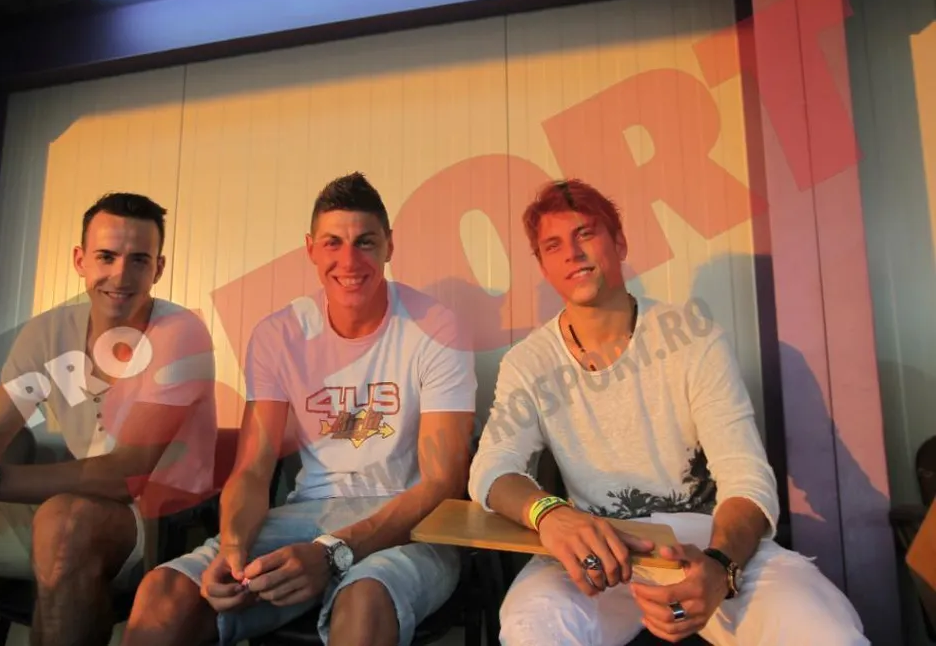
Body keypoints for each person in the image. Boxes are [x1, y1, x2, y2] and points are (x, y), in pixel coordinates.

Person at [467, 179, 869, 645]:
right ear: (543, 266)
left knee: (824, 632)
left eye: (585, 234)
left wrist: (720, 566)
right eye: (553, 246)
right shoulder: (529, 362)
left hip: (705, 542)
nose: (572, 254)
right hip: (600, 547)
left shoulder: (693, 338)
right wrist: (550, 514)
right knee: (530, 627)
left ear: (619, 243)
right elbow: (490, 469)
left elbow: (746, 478)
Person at [122, 172, 478, 646]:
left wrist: (333, 554)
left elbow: (442, 482)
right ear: (310, 249)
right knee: (164, 594)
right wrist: (234, 547)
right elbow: (252, 470)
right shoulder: (279, 334)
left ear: (389, 246)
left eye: (365, 242)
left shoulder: (437, 326)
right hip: (307, 514)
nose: (349, 260)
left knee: (364, 603)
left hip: (409, 522)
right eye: (333, 243)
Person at [0, 192, 217, 646]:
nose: (121, 275)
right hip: (73, 510)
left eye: (139, 260)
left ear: (158, 269)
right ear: (81, 260)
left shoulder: (180, 332)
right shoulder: (48, 332)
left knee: (63, 522)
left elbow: (126, 476)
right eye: (106, 256)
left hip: (167, 521)